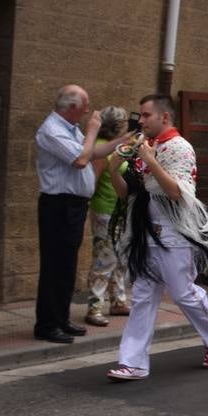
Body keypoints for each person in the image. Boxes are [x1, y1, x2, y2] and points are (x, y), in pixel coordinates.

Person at [106, 95, 208, 380]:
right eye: (141, 116)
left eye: (146, 116)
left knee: (183, 293)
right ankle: (132, 362)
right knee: (143, 296)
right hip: (144, 233)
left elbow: (177, 193)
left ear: (165, 118)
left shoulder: (180, 148)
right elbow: (127, 193)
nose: (141, 121)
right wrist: (113, 167)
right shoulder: (146, 147)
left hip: (174, 233)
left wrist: (149, 160)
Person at [33, 85, 125, 343]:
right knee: (55, 265)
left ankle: (61, 319)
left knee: (67, 265)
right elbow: (81, 159)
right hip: (58, 204)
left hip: (73, 206)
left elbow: (93, 152)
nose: (88, 111)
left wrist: (122, 141)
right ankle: (47, 324)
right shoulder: (52, 130)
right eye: (85, 106)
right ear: (72, 107)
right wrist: (94, 130)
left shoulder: (70, 129)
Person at [84, 106, 132, 327]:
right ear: (116, 125)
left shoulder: (117, 146)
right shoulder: (102, 148)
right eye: (123, 122)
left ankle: (119, 301)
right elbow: (92, 180)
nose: (126, 125)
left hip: (119, 209)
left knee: (121, 257)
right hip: (105, 210)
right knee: (105, 259)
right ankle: (95, 307)